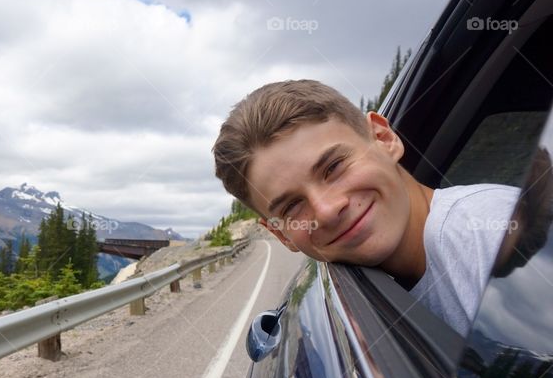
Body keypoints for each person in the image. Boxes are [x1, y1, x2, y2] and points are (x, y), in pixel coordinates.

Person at [212, 79, 520, 336]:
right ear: (282, 236)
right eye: (292, 207)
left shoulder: (489, 235)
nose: (326, 210)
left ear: (384, 139)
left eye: (333, 167)